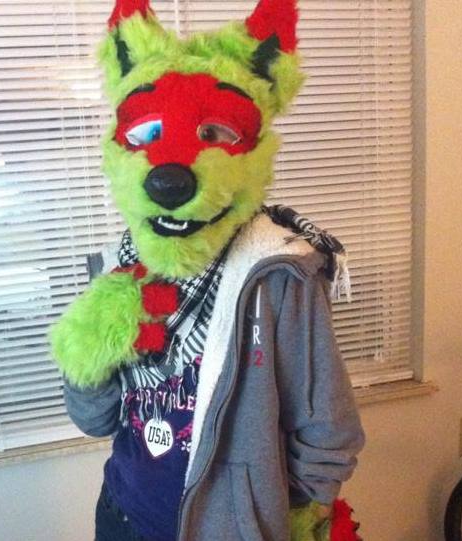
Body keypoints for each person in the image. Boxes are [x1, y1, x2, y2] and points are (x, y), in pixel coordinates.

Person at [50, 1, 365, 540]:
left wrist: (307, 514)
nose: (169, 169)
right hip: (123, 516)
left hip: (228, 529)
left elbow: (327, 423)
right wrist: (86, 352)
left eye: (217, 132)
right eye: (146, 133)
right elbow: (95, 420)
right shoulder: (117, 269)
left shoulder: (280, 275)